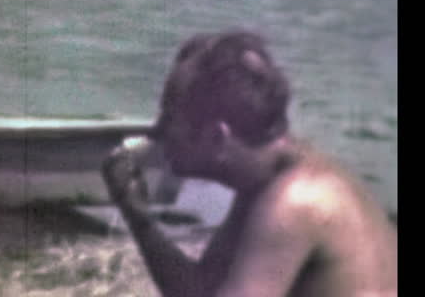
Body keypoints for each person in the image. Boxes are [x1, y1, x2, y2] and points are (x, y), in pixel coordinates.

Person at [102, 31, 397, 297]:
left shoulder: (293, 202)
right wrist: (138, 216)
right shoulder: (267, 180)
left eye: (169, 120)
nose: (158, 133)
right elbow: (199, 290)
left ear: (217, 137)